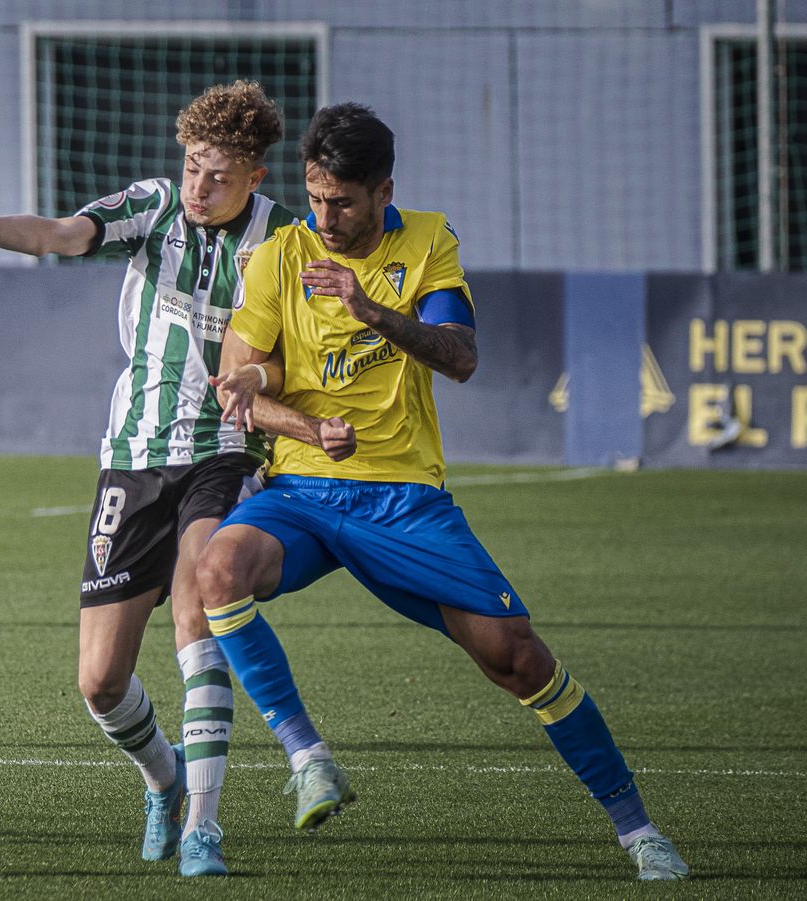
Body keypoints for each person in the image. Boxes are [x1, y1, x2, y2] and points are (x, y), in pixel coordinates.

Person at [199, 102, 690, 881]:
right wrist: (302, 423)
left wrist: (368, 308)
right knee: (217, 569)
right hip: (302, 490)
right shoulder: (277, 257)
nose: (326, 216)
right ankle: (309, 757)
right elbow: (243, 389)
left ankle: (638, 829)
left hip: (402, 498)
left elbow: (459, 356)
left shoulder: (428, 240)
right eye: (316, 196)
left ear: (383, 191)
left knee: (516, 655)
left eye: (344, 201)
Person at [0, 81, 295, 877]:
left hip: (225, 451)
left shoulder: (285, 238)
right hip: (134, 454)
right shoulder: (153, 206)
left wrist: (268, 389)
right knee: (100, 680)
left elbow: (300, 355)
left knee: (196, 607)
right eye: (191, 167)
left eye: (217, 173)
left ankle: (205, 829)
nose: (197, 185)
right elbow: (66, 234)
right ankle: (166, 780)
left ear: (253, 175)